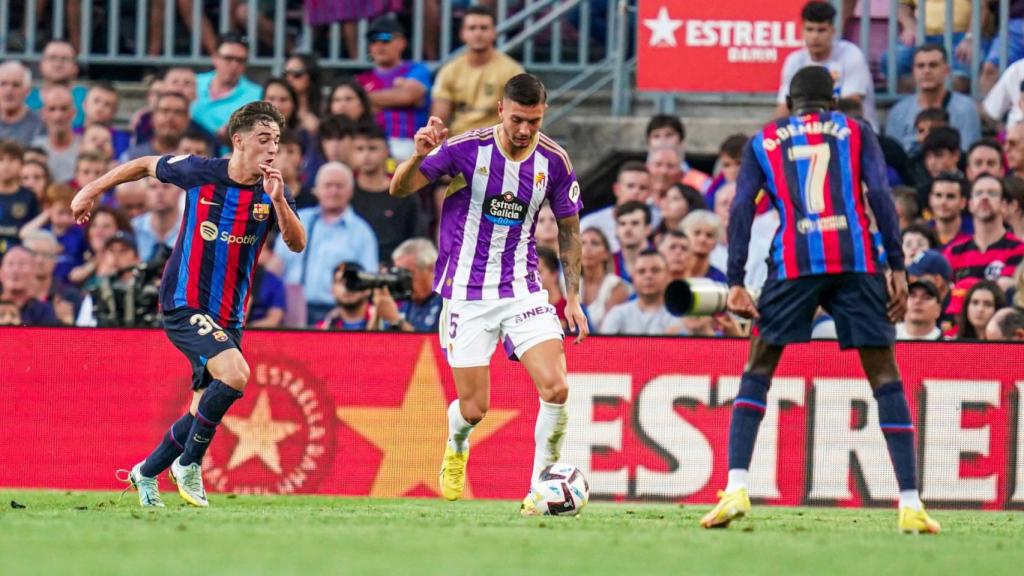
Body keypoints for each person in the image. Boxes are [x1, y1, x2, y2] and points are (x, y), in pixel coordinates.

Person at [708, 66, 938, 533]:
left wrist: (735, 278)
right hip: (855, 259)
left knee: (759, 367)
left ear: (790, 103)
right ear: (832, 101)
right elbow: (881, 197)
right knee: (884, 374)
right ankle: (911, 503)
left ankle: (735, 488)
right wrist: (897, 265)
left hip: (795, 262)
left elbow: (741, 210)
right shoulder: (856, 132)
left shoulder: (764, 140)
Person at [70, 101, 306, 508]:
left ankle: (145, 472)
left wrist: (280, 201)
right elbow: (145, 164)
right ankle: (189, 463)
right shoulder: (200, 172)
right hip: (184, 302)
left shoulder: (271, 193)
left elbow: (297, 243)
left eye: (277, 142)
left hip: (229, 315)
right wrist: (90, 190)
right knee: (236, 374)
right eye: (263, 139)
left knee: (201, 408)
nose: (272, 149)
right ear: (239, 141)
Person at [389, 73, 588, 514]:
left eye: (533, 122)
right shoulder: (465, 148)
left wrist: (572, 298)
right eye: (517, 119)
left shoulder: (554, 160)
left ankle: (540, 489)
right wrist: (415, 157)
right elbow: (399, 189)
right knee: (475, 408)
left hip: (523, 289)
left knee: (556, 388)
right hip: (466, 294)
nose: (524, 130)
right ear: (501, 109)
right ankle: (457, 443)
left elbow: (570, 231)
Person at [274, 162, 378, 325]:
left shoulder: (362, 232)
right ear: (316, 190)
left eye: (339, 186)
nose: (333, 191)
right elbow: (276, 269)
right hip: (291, 311)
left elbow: (368, 279)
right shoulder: (297, 221)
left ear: (351, 191)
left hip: (337, 313)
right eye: (328, 185)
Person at [776, 2, 878, 130]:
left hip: (856, 132)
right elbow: (784, 108)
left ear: (833, 31)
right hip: (811, 135)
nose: (815, 37)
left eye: (821, 30)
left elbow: (852, 106)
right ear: (802, 30)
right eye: (810, 29)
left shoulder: (851, 55)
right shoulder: (794, 61)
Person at [431, 6, 524, 135]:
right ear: (462, 33)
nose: (478, 33)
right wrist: (439, 153)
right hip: (459, 144)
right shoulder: (449, 71)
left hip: (497, 144)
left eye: (484, 28)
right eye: (472, 28)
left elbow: (520, 117)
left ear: (494, 33)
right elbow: (439, 120)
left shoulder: (512, 71)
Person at [944, 174, 1024, 316]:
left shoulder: (1019, 249)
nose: (985, 197)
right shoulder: (953, 251)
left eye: (992, 193)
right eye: (979, 193)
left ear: (1004, 205)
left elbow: (1008, 294)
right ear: (970, 204)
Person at [357, 16, 432, 161]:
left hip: (411, 143)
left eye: (385, 38)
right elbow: (354, 107)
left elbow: (408, 96)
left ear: (401, 42)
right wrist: (396, 95)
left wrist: (367, 98)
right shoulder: (362, 79)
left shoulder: (417, 69)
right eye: (373, 40)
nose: (379, 45)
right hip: (373, 144)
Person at [885, 44, 980, 154]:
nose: (926, 71)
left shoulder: (966, 109)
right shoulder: (898, 111)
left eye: (933, 65)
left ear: (946, 70)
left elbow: (968, 153)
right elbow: (892, 157)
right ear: (913, 72)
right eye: (921, 66)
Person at [350, 124, 422, 263]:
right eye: (360, 149)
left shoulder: (405, 195)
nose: (366, 155)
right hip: (350, 271)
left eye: (372, 148)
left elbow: (417, 242)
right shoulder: (345, 194)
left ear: (387, 151)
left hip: (394, 272)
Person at [192, 34, 263, 138]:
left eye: (240, 60)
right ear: (214, 58)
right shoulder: (193, 83)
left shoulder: (258, 96)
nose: (234, 65)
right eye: (228, 58)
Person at [599, 249, 677, 335]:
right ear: (633, 277)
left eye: (655, 270)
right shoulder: (617, 314)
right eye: (641, 271)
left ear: (668, 275)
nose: (648, 276)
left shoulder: (679, 316)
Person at [373, 238, 443, 332]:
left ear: (431, 269)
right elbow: (371, 343)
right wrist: (378, 311)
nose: (402, 281)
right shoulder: (404, 300)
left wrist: (397, 321)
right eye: (397, 273)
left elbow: (432, 345)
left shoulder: (447, 302)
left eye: (407, 273)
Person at [579, 161, 651, 252]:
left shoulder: (657, 222)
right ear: (617, 189)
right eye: (630, 186)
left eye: (643, 188)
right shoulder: (591, 223)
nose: (636, 192)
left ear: (649, 193)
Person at [25, 40, 87, 129]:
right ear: (41, 65)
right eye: (52, 58)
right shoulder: (26, 98)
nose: (58, 64)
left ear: (75, 68)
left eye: (65, 59)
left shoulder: (88, 98)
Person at [581, 227, 630, 330]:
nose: (587, 248)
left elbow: (607, 330)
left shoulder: (617, 287)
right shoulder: (566, 284)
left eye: (594, 243)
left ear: (606, 254)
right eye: (582, 243)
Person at [646, 115, 710, 193]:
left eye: (669, 135)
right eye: (656, 136)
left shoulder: (701, 182)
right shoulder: (639, 178)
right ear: (648, 143)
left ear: (681, 141)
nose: (662, 141)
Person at [121, 93, 193, 161]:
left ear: (187, 119)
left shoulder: (196, 157)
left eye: (178, 112)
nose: (170, 117)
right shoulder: (133, 158)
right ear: (153, 118)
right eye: (165, 111)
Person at [30, 85, 80, 182]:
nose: (58, 116)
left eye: (64, 109)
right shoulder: (35, 148)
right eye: (52, 109)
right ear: (43, 113)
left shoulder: (84, 147)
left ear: (73, 113)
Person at [0, 139, 40, 255]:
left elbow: (33, 229)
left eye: (12, 160)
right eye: (0, 160)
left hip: (19, 254)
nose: (5, 166)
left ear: (22, 164)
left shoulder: (29, 196)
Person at [0, 245, 57, 325]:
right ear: (1, 272)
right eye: (10, 264)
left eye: (22, 264)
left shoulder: (43, 311)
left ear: (34, 272)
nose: (15, 270)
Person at [131, 177, 182, 262]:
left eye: (166, 187)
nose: (159, 192)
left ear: (180, 190)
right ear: (145, 192)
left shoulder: (191, 230)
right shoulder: (133, 228)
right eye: (153, 187)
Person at [78, 82, 131, 159]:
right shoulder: (72, 135)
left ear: (115, 111)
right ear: (85, 105)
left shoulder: (124, 140)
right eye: (96, 101)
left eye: (107, 104)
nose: (100, 108)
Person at [317, 262, 374, 330]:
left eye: (353, 281)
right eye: (340, 282)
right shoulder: (323, 327)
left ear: (368, 288)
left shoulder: (385, 321)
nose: (347, 287)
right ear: (332, 290)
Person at [0, 61, 43, 144]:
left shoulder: (40, 124)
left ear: (27, 90)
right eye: (3, 84)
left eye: (16, 85)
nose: (9, 91)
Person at [681, 209, 728, 283]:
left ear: (715, 243)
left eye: (709, 235)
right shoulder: (673, 273)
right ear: (684, 236)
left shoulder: (720, 280)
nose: (702, 239)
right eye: (697, 233)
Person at [926, 171, 971, 248]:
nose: (943, 202)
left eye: (950, 196)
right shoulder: (921, 233)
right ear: (930, 199)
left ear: (963, 202)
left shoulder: (975, 233)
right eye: (938, 195)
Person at [611, 201, 652, 284]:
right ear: (616, 229)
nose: (628, 229)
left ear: (647, 229)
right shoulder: (607, 263)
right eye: (622, 224)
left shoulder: (664, 258)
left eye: (635, 223)